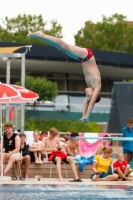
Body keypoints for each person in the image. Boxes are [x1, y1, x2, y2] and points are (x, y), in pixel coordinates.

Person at [28, 30, 101, 123]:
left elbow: (86, 102)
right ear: (95, 94)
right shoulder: (97, 84)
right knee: (64, 46)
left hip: (82, 59)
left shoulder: (91, 88)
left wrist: (83, 116)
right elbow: (91, 103)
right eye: (89, 95)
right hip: (87, 56)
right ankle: (41, 35)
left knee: (61, 48)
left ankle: (42, 36)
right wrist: (87, 116)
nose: (86, 94)